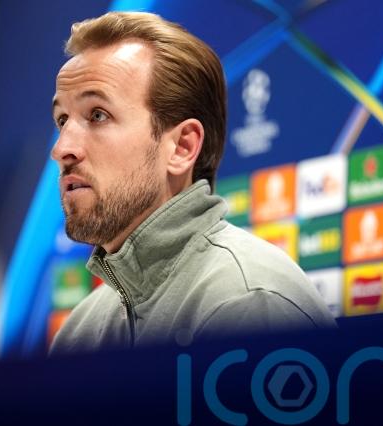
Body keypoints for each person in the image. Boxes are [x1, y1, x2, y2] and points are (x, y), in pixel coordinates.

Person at [49, 11, 336, 353]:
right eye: (62, 120)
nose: (61, 149)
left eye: (98, 115)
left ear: (182, 147)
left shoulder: (248, 303)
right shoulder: (77, 336)